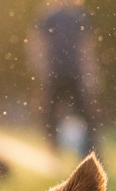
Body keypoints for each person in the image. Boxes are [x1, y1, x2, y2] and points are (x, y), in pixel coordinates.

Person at [28, 0, 102, 159]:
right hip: (55, 72)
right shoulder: (48, 16)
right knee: (49, 114)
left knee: (85, 115)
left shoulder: (79, 16)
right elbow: (37, 43)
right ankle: (53, 148)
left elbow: (86, 46)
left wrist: (91, 73)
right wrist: (40, 66)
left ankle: (92, 152)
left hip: (75, 73)